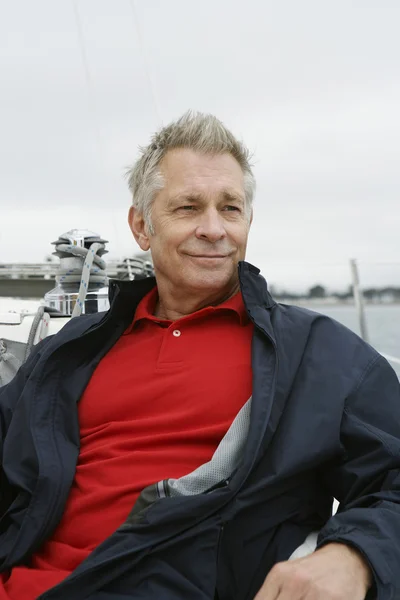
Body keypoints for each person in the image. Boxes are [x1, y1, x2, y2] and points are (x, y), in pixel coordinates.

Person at [0, 111, 399, 600]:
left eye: (230, 208)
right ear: (142, 226)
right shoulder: (72, 349)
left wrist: (354, 555)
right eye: (188, 207)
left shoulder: (318, 355)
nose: (214, 229)